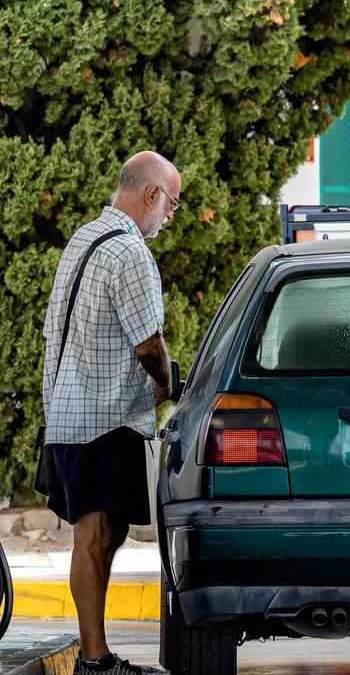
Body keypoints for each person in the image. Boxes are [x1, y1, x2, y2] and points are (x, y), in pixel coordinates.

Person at [42, 151, 181, 675]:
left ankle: (94, 656)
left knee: (99, 534)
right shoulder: (130, 252)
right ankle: (95, 661)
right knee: (96, 536)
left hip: (72, 410)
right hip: (103, 417)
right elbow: (148, 344)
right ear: (151, 194)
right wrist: (167, 384)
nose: (170, 216)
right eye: (172, 204)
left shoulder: (84, 239)